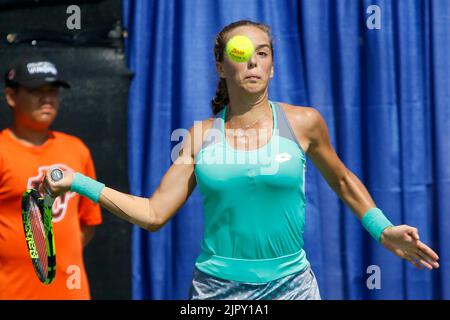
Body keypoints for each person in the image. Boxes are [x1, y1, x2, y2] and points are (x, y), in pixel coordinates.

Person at [44, 20, 439, 300]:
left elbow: (342, 180)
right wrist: (78, 181)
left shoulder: (304, 123)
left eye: (262, 53)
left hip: (293, 288)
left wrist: (381, 229)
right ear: (221, 66)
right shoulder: (199, 137)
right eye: (241, 52)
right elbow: (152, 214)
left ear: (272, 66)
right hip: (216, 290)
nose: (252, 61)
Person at [0, 57, 102, 299]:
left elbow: (87, 222)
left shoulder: (77, 149)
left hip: (71, 293)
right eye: (36, 90)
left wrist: (51, 257)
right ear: (11, 96)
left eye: (53, 91)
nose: (47, 98)